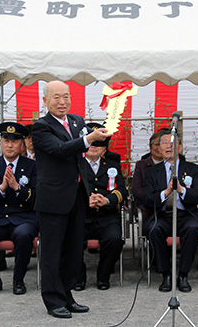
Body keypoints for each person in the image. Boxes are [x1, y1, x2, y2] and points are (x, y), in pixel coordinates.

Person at [32, 80, 111, 319]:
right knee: (53, 251)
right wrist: (89, 139)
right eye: (56, 97)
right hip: (53, 198)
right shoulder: (40, 127)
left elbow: (84, 147)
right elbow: (60, 149)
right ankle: (53, 300)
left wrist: (100, 134)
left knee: (74, 249)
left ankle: (67, 295)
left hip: (77, 194)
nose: (62, 102)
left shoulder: (77, 121)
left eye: (66, 96)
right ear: (45, 101)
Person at [0, 122, 38, 296]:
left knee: (24, 235)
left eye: (14, 141)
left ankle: (19, 280)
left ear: (22, 144)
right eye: (6, 140)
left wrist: (17, 187)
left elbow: (36, 198)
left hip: (24, 217)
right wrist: (2, 188)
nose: (10, 145)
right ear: (1, 143)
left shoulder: (32, 166)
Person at [142, 130, 198, 293]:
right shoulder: (150, 173)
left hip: (186, 214)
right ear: (158, 148)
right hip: (162, 215)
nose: (168, 146)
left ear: (180, 147)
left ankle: (183, 274)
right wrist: (165, 192)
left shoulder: (192, 169)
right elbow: (147, 199)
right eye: (163, 143)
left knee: (192, 229)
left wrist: (181, 190)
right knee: (154, 229)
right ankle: (166, 275)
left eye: (172, 143)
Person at [74, 123, 127, 291]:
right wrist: (84, 201)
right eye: (92, 143)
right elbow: (67, 190)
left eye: (99, 144)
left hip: (106, 215)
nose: (94, 147)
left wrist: (107, 200)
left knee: (115, 240)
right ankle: (78, 277)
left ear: (105, 149)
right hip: (81, 215)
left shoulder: (113, 166)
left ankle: (103, 276)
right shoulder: (75, 165)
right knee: (72, 241)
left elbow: (122, 191)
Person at [131, 128, 169, 214]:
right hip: (147, 206)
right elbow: (136, 189)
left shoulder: (172, 165)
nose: (159, 148)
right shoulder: (141, 165)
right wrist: (153, 198)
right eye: (156, 144)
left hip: (169, 204)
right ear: (151, 147)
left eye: (162, 144)